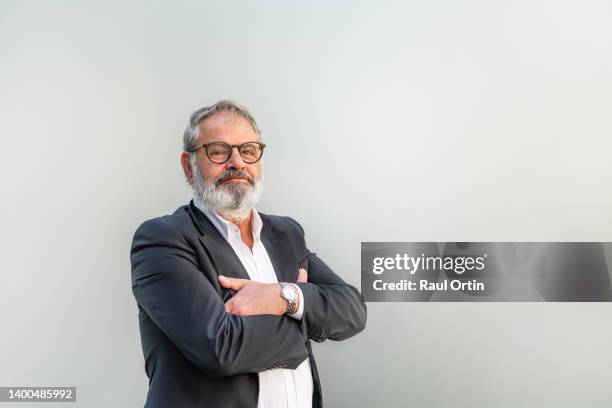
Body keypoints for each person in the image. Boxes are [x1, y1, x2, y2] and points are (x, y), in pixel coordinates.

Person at [130, 100, 367, 408]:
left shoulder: (286, 234)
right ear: (189, 166)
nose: (237, 162)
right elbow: (222, 348)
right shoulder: (163, 239)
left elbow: (352, 310)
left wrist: (284, 297)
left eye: (249, 151)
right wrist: (305, 314)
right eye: (218, 151)